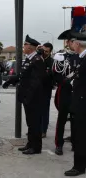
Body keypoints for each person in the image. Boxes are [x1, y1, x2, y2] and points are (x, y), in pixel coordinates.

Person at [3, 35, 46, 155]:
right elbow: (22, 76)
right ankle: (30, 143)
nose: (23, 46)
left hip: (33, 98)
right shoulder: (29, 59)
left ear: (30, 47)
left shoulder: (37, 60)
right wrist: (10, 81)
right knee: (30, 122)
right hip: (28, 97)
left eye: (25, 45)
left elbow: (36, 81)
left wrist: (28, 96)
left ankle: (36, 147)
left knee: (34, 123)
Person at [52, 30, 78, 155]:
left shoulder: (81, 56)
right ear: (68, 42)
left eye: (76, 41)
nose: (74, 43)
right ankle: (59, 144)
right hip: (65, 91)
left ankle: (75, 142)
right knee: (62, 119)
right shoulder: (61, 56)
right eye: (72, 41)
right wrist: (65, 82)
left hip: (77, 93)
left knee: (76, 119)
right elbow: (56, 74)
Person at [64, 30, 86, 177]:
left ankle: (79, 166)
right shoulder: (81, 58)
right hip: (80, 102)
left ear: (78, 43)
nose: (72, 45)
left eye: (73, 43)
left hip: (82, 104)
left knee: (79, 136)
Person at [37, 43, 54, 138]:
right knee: (36, 110)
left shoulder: (51, 61)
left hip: (46, 89)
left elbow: (50, 75)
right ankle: (36, 128)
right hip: (36, 89)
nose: (44, 53)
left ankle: (43, 130)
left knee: (44, 110)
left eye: (46, 51)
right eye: (43, 50)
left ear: (50, 51)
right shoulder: (38, 59)